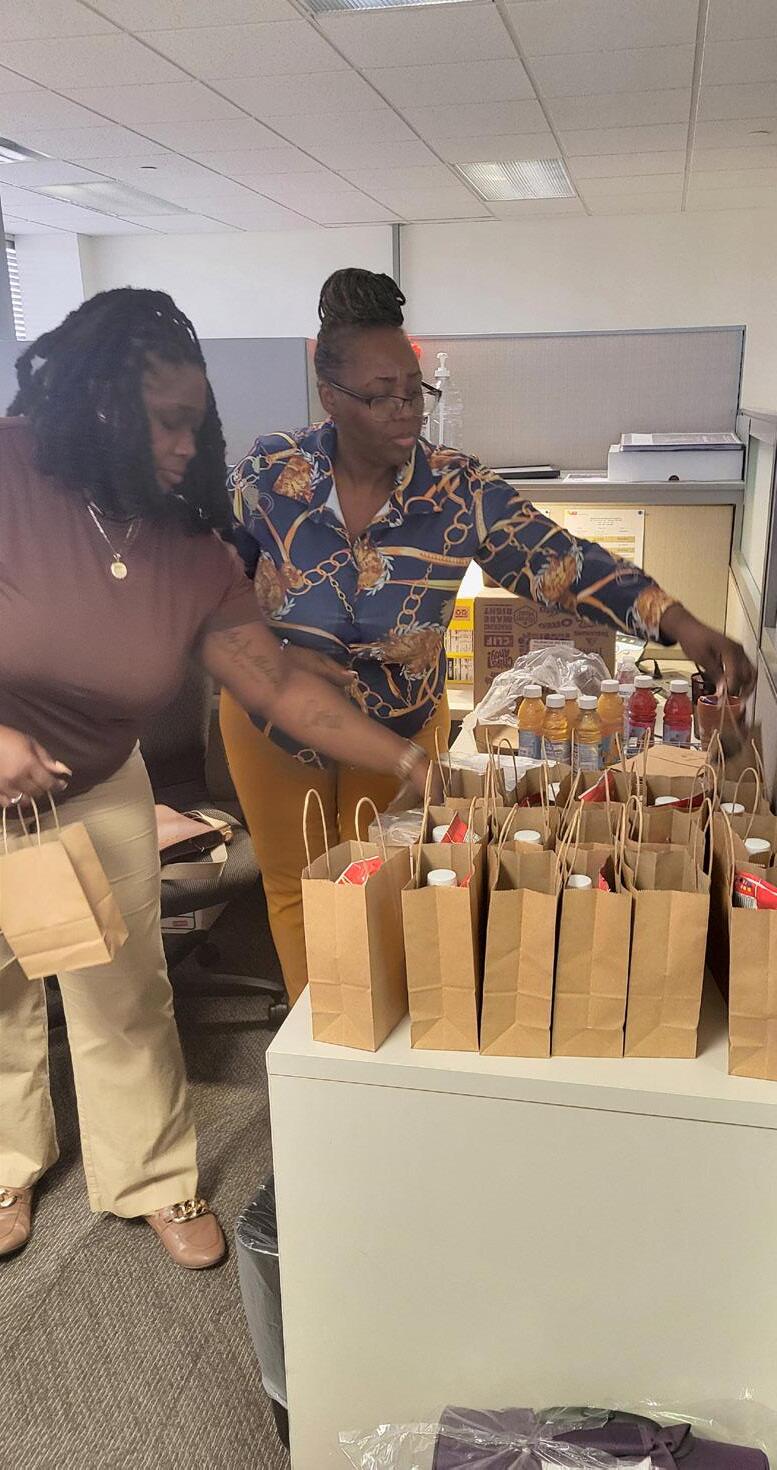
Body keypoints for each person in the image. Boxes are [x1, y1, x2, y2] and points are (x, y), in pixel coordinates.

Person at [0, 288, 437, 1268]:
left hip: (98, 780)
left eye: (195, 425)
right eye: (163, 421)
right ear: (97, 403)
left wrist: (406, 757)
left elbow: (276, 685)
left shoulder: (188, 547)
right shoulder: (9, 467)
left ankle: (152, 1178)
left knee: (127, 989)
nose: (182, 446)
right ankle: (7, 1163)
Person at [221, 266, 755, 1003]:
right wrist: (273, 653)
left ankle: (380, 1030)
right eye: (381, 395)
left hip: (398, 721)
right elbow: (210, 587)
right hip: (271, 720)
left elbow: (560, 561)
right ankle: (316, 1036)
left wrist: (676, 620)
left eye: (414, 391)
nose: (406, 412)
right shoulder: (268, 472)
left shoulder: (456, 488)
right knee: (297, 887)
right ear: (331, 397)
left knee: (394, 877)